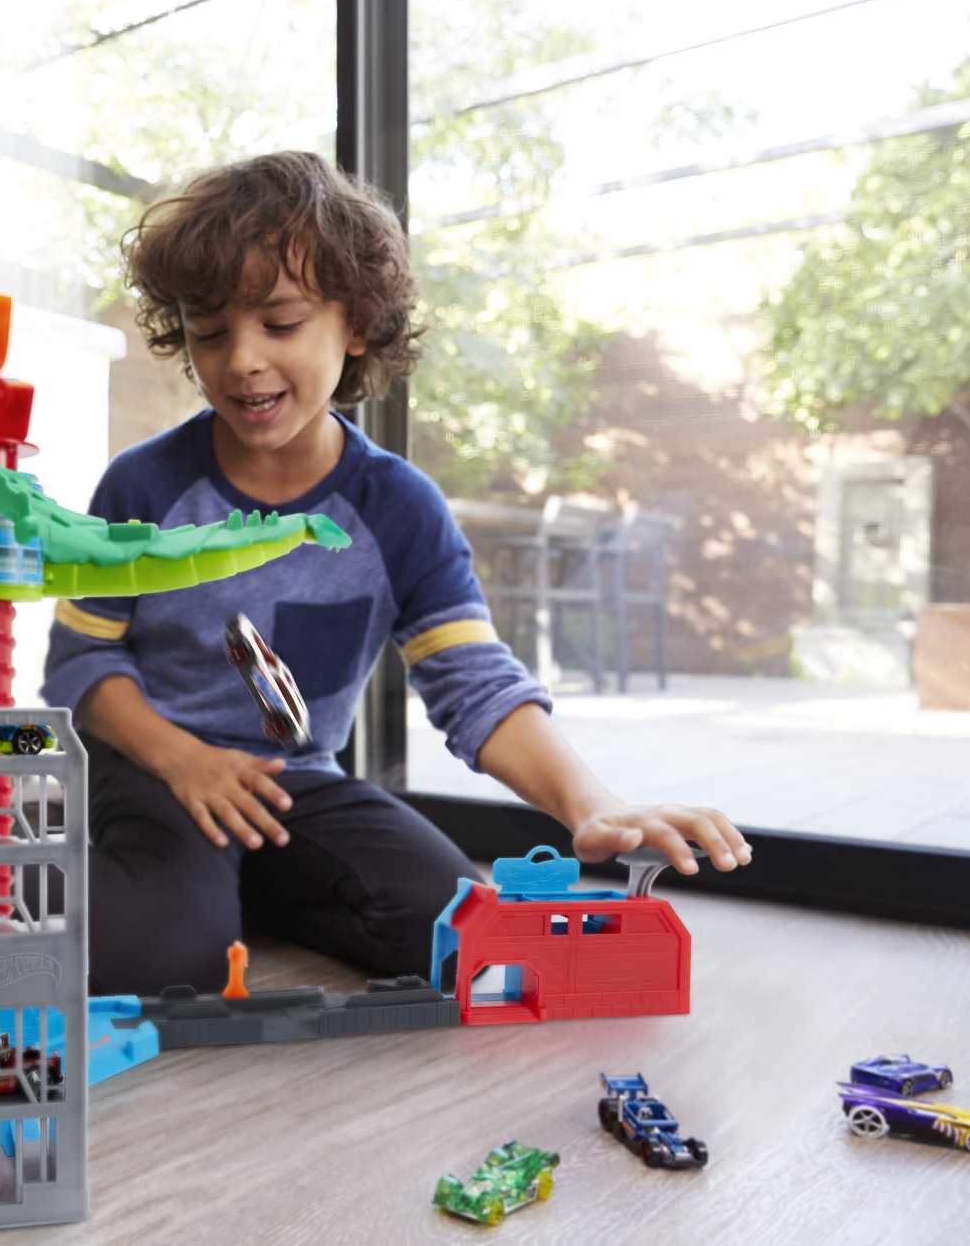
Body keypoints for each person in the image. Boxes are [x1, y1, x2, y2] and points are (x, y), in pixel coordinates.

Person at [42, 151, 751, 997]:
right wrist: (184, 759)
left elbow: (474, 681)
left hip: (296, 784)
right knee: (166, 964)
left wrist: (588, 803)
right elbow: (81, 663)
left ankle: (229, 887)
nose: (240, 360)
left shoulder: (399, 507)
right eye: (209, 330)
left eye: (280, 322)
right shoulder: (143, 486)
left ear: (357, 324)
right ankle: (153, 881)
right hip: (153, 770)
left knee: (463, 935)